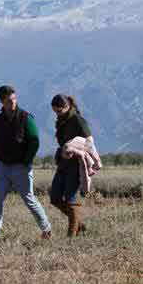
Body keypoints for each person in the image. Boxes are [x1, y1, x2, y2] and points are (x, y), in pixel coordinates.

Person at [0, 85, 52, 242]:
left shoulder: (26, 117)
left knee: (29, 200)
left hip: (21, 166)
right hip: (3, 166)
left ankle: (46, 229)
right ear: (2, 101)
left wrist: (27, 161)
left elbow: (35, 141)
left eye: (14, 99)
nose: (13, 102)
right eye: (9, 100)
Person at [49, 94, 101, 237]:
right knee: (55, 198)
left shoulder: (78, 120)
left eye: (59, 111)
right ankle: (79, 224)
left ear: (67, 107)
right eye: (55, 111)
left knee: (71, 199)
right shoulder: (61, 120)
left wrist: (73, 147)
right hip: (63, 163)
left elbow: (89, 142)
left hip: (76, 165)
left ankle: (71, 237)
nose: (57, 114)